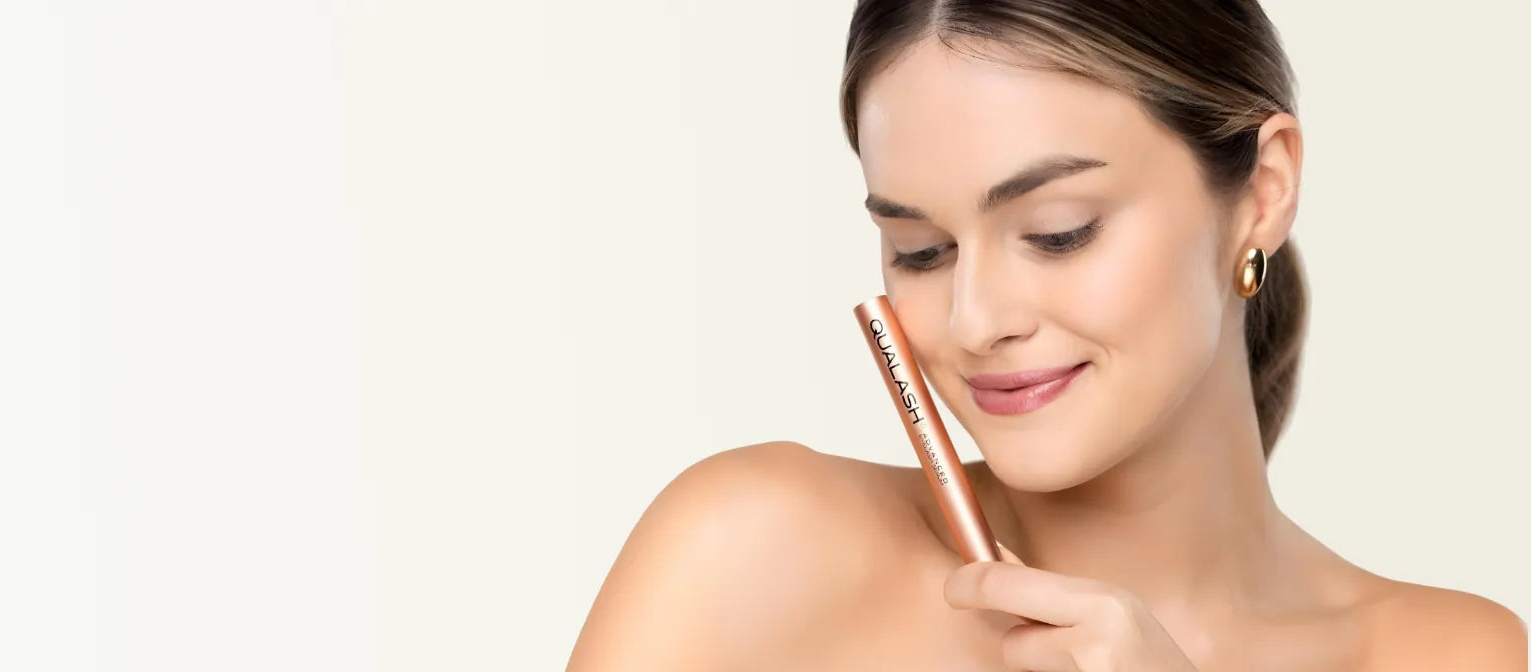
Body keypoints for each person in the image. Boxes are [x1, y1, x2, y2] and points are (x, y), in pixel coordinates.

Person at [564, 1, 1528, 669]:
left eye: (1058, 232)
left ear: (1263, 191)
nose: (977, 321)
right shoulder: (755, 553)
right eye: (922, 250)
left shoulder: (1453, 656)